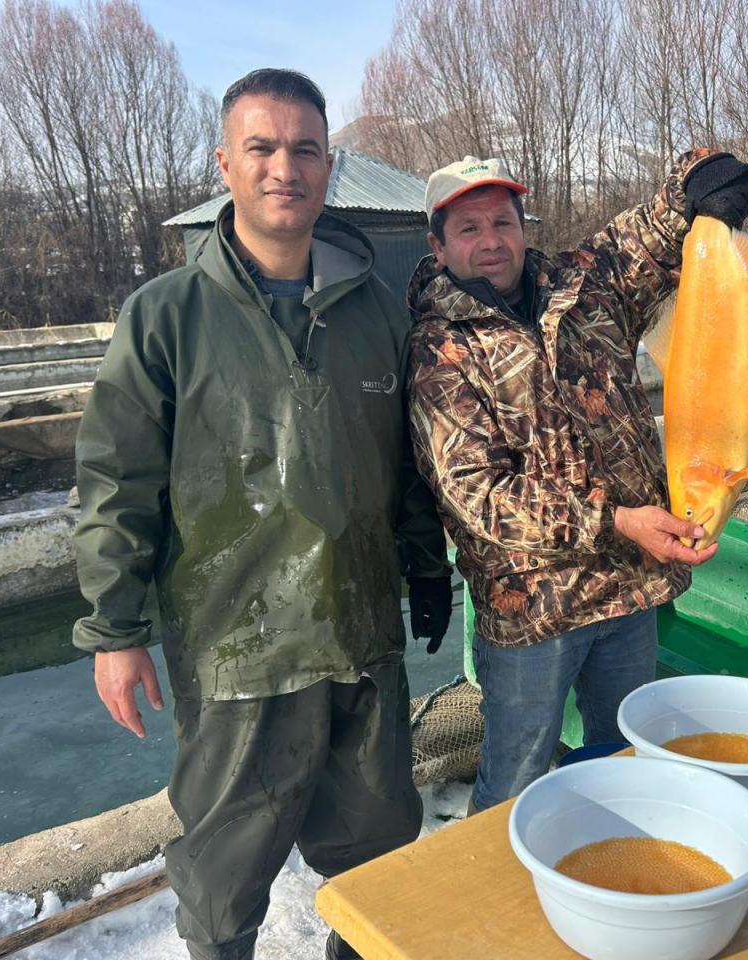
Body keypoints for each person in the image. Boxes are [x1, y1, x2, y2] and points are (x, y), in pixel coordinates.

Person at [71, 68, 452, 960]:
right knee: (222, 879)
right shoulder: (164, 317)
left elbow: (408, 465)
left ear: (329, 167)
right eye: (263, 147)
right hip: (235, 651)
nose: (287, 167)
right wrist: (114, 630)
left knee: (377, 858)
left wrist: (427, 565)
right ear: (225, 165)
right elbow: (116, 480)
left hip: (361, 639)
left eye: (306, 149)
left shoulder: (380, 315)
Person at [406, 149, 748, 812]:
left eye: (502, 222)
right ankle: (498, 877)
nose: (490, 241)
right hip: (533, 614)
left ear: (523, 227)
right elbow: (479, 495)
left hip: (627, 591)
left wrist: (702, 184)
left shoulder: (584, 285)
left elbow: (649, 234)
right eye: (469, 228)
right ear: (439, 245)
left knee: (626, 759)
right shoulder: (439, 351)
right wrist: (617, 521)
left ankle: (615, 857)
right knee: (514, 778)